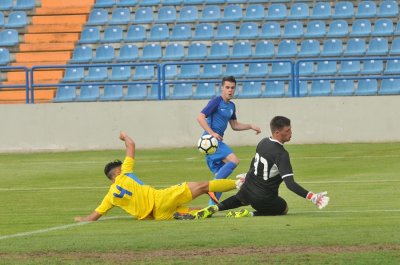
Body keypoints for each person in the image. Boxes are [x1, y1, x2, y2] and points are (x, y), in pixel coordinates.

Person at [74, 131, 240, 222]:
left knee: (199, 212)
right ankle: (239, 183)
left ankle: (206, 211)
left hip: (158, 216)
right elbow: (131, 144)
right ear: (117, 172)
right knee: (203, 186)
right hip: (160, 199)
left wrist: (81, 219)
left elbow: (94, 216)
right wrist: (123, 136)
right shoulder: (124, 173)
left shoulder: (110, 197)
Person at [191, 116, 330, 219]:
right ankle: (250, 213)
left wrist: (247, 174)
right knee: (284, 208)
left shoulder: (263, 142)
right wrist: (312, 196)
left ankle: (214, 208)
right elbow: (290, 184)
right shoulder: (281, 154)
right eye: (287, 130)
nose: (291, 132)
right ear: (277, 133)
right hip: (263, 198)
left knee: (239, 199)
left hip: (248, 187)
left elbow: (254, 161)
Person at [197, 76, 261, 205]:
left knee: (221, 178)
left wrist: (250, 126)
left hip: (216, 141)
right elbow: (200, 117)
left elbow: (234, 125)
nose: (230, 90)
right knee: (234, 160)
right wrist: (212, 133)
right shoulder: (216, 102)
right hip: (210, 142)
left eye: (232, 88)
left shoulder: (231, 106)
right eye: (227, 87)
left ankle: (211, 206)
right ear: (222, 88)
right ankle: (212, 187)